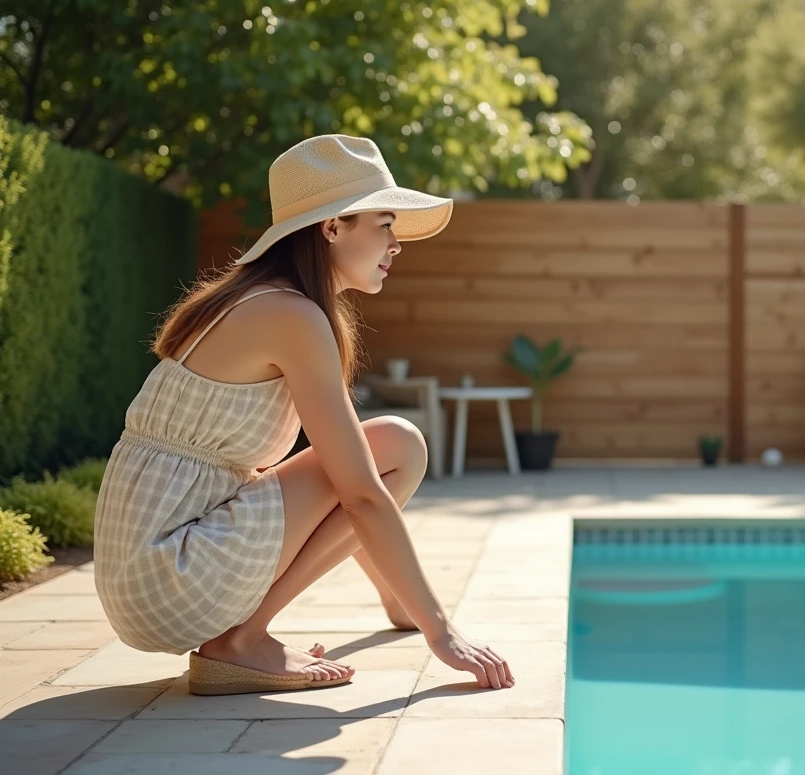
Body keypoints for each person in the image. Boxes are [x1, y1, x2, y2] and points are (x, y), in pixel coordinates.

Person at [93, 134, 514, 696]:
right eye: (384, 224)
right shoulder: (290, 315)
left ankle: (266, 630)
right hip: (171, 575)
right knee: (398, 444)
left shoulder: (259, 300)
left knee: (375, 450)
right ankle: (240, 642)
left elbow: (341, 483)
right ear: (333, 227)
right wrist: (443, 633)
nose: (396, 244)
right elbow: (360, 493)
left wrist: (400, 603)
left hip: (146, 578)